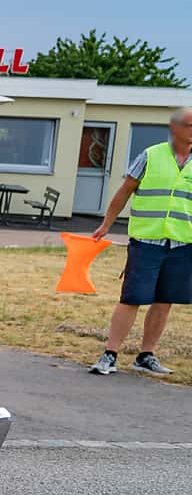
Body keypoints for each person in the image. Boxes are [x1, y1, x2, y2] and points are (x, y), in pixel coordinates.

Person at [89, 105, 192, 376]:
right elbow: (125, 191)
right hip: (147, 240)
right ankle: (110, 354)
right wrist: (106, 223)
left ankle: (146, 356)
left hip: (183, 243)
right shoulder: (151, 155)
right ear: (175, 128)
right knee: (132, 298)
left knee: (165, 300)